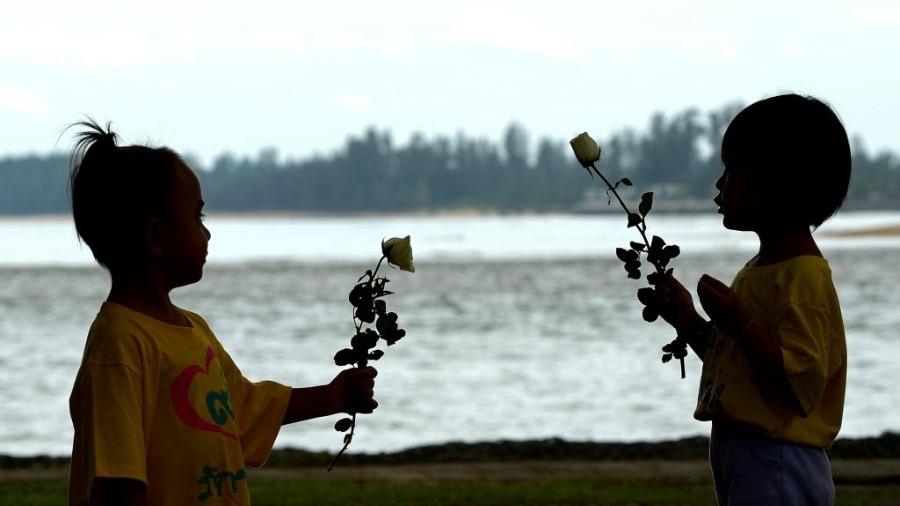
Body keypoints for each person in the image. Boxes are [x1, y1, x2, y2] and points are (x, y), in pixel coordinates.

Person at [66, 120, 378, 506]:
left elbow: (242, 409)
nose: (207, 234)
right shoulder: (119, 345)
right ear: (156, 237)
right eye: (198, 218)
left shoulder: (193, 328)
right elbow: (118, 483)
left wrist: (332, 396)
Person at [649, 94, 850, 505]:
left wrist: (737, 320)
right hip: (745, 453)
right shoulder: (762, 269)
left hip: (778, 458)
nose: (720, 185)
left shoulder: (803, 278)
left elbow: (798, 385)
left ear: (774, 185)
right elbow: (741, 367)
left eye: (731, 172)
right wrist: (688, 321)